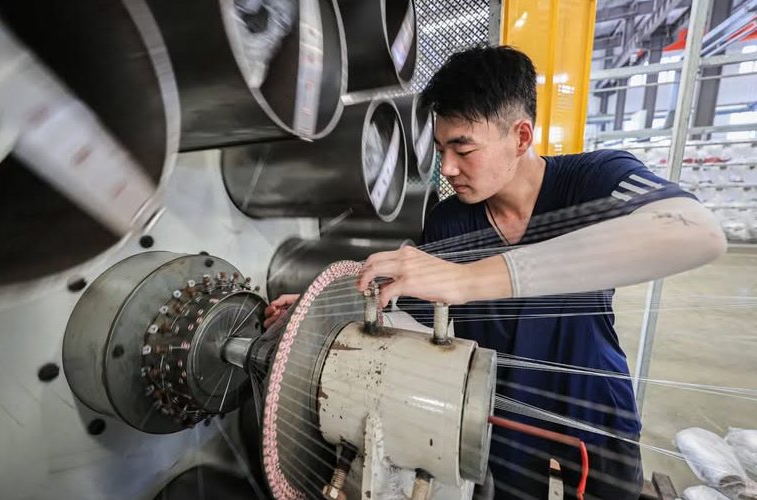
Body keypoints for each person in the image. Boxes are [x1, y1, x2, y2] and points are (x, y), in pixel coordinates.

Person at [266, 45, 727, 499]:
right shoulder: (450, 221)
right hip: (502, 421)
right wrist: (322, 315)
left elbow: (698, 232)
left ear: (521, 137)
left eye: (464, 149)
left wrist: (468, 279)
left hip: (595, 416)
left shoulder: (595, 181)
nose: (448, 168)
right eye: (441, 149)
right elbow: (409, 315)